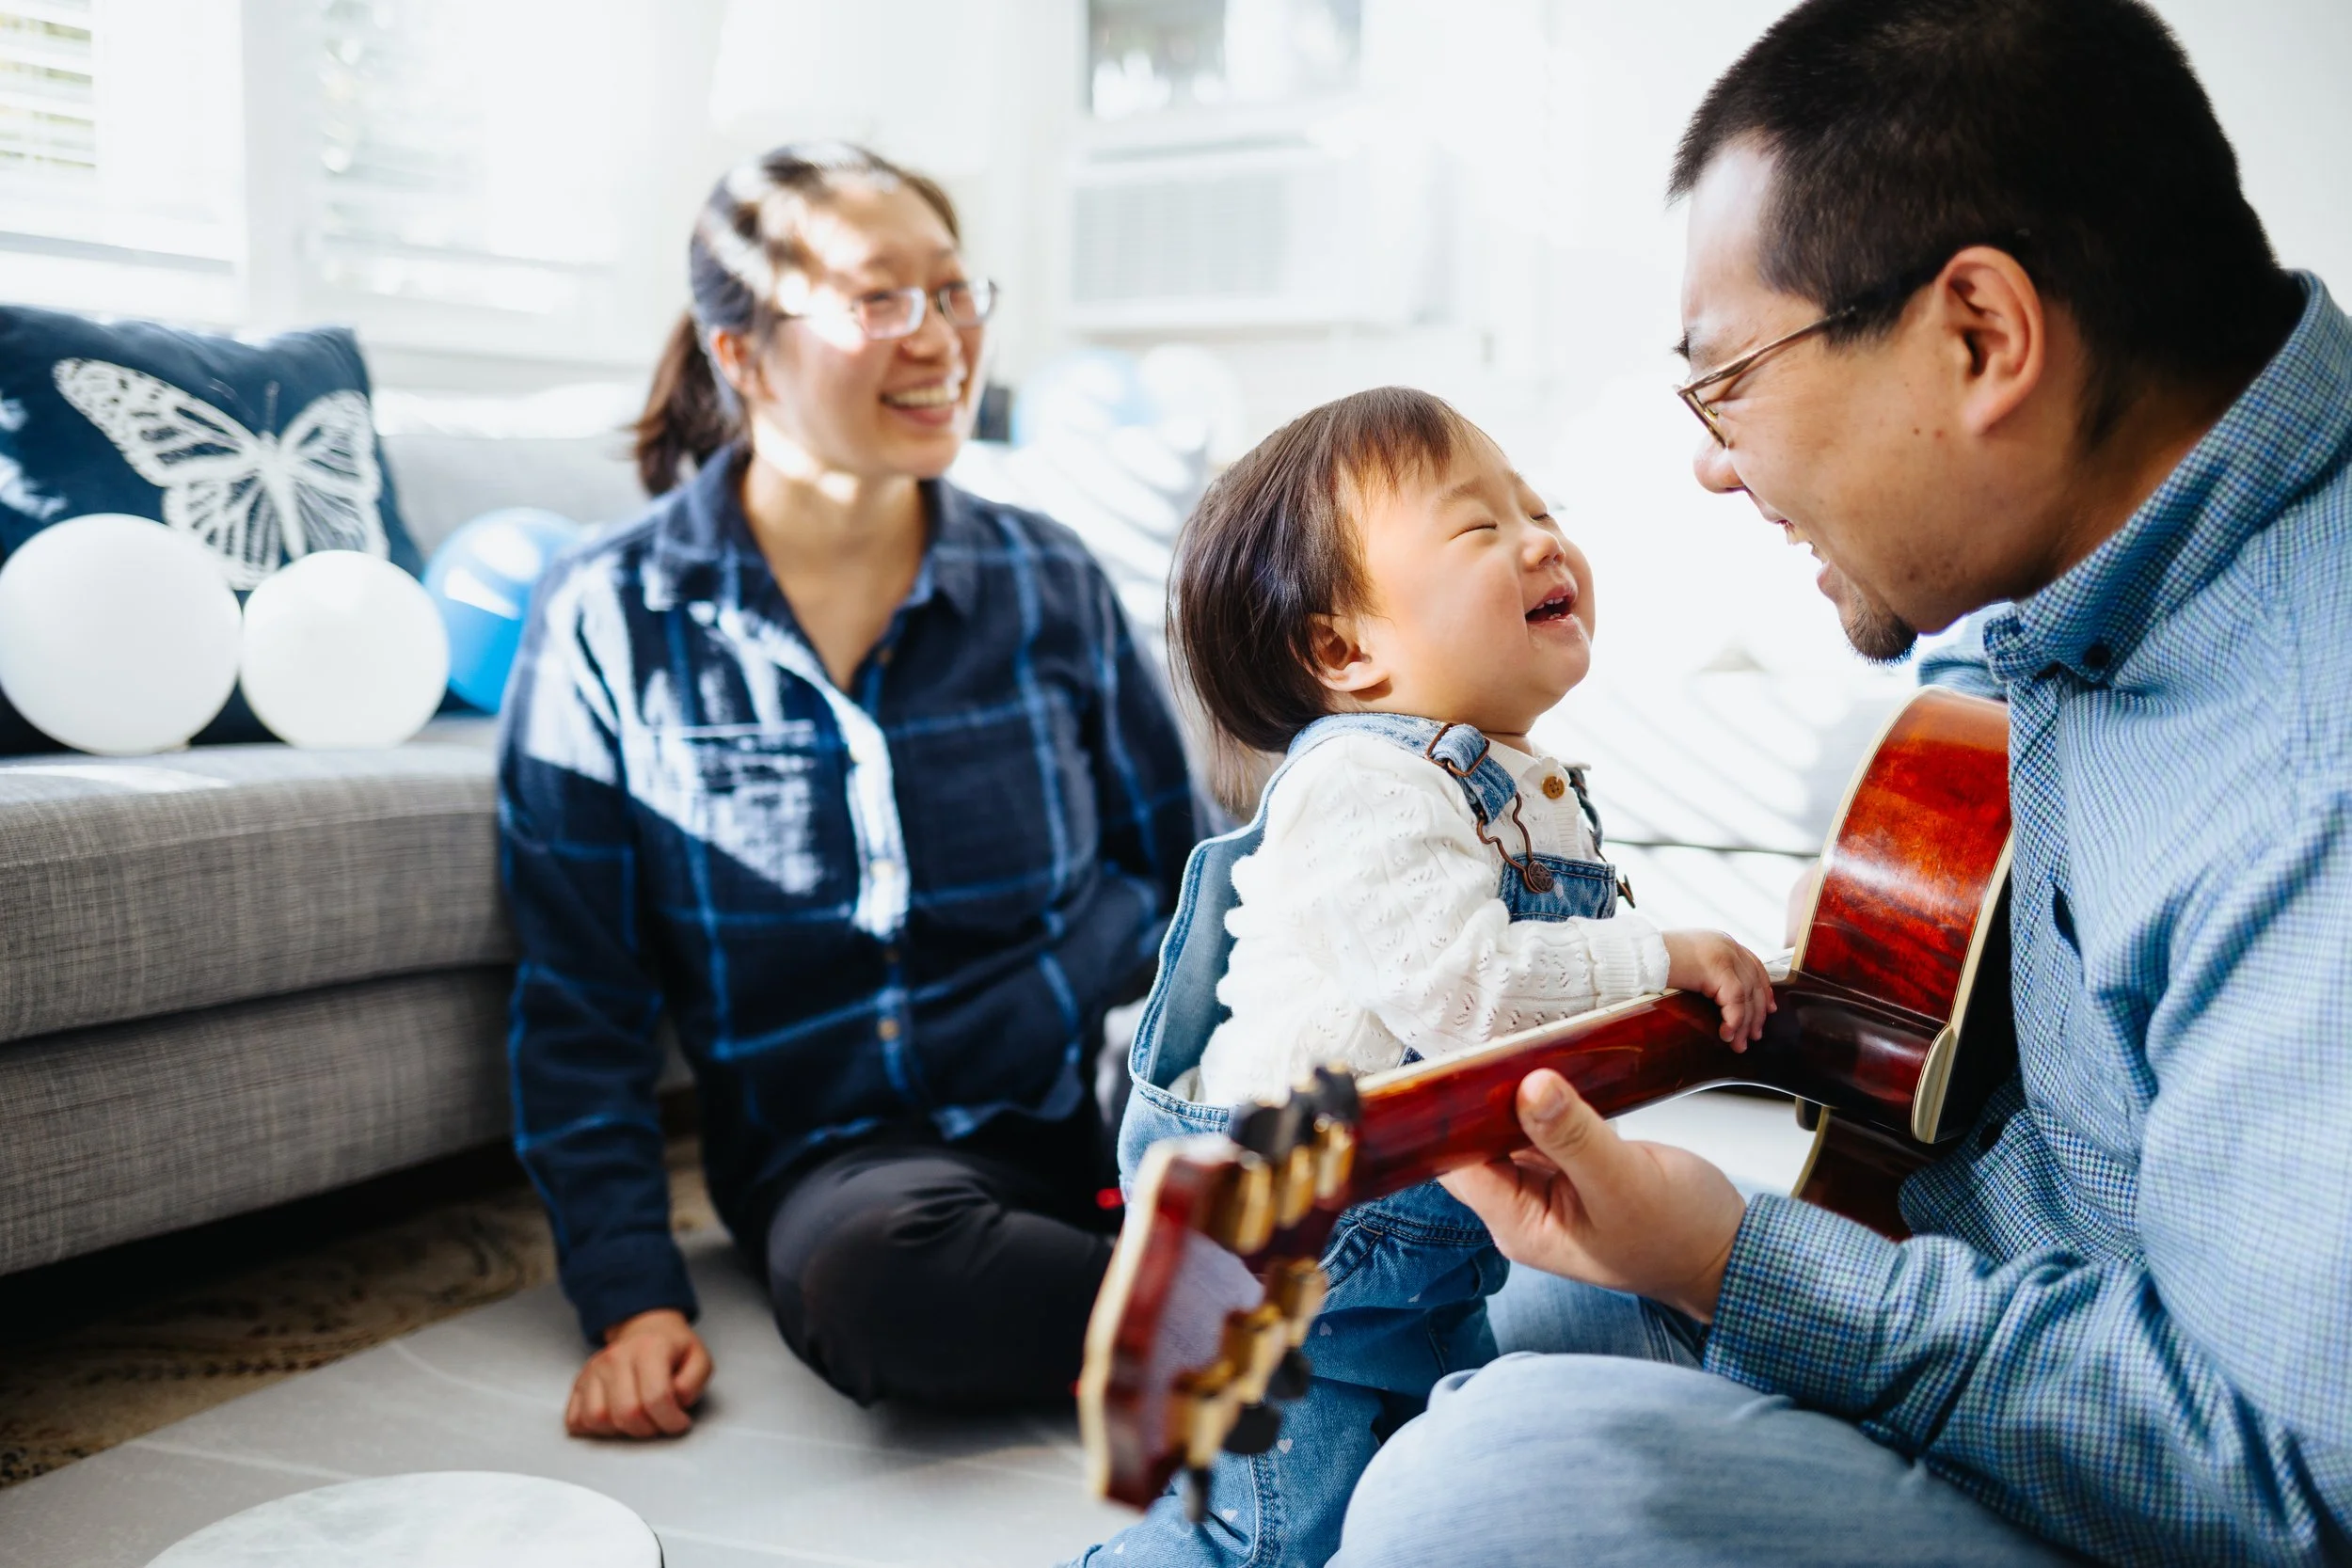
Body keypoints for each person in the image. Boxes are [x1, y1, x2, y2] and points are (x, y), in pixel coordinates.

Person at [1329, 0, 2351, 1564]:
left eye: (1726, 378)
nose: (1714, 463)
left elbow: (2289, 1487)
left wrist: (1745, 1260)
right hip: (2019, 1286)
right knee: (1460, 1294)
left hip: (2179, 1480)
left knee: (1477, 1495)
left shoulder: (2307, 773)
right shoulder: (2113, 543)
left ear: (1980, 338)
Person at [498, 143, 1198, 1436]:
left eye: (955, 291)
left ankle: (1207, 1286)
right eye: (881, 299)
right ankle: (1272, 1310)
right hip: (861, 1170)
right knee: (871, 1284)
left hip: (1111, 1101)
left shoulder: (1052, 580)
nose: (941, 339)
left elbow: (1189, 883)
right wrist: (632, 1296)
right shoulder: (609, 615)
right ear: (742, 353)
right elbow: (580, 999)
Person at [1072, 387, 1773, 1568]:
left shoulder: (1504, 779)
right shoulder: (1358, 783)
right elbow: (1471, 991)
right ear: (1345, 648)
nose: (1541, 537)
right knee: (1264, 1538)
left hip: (1401, 1241)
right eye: (1479, 527)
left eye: (1538, 508)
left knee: (1403, 1486)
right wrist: (1664, 956)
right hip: (1286, 1257)